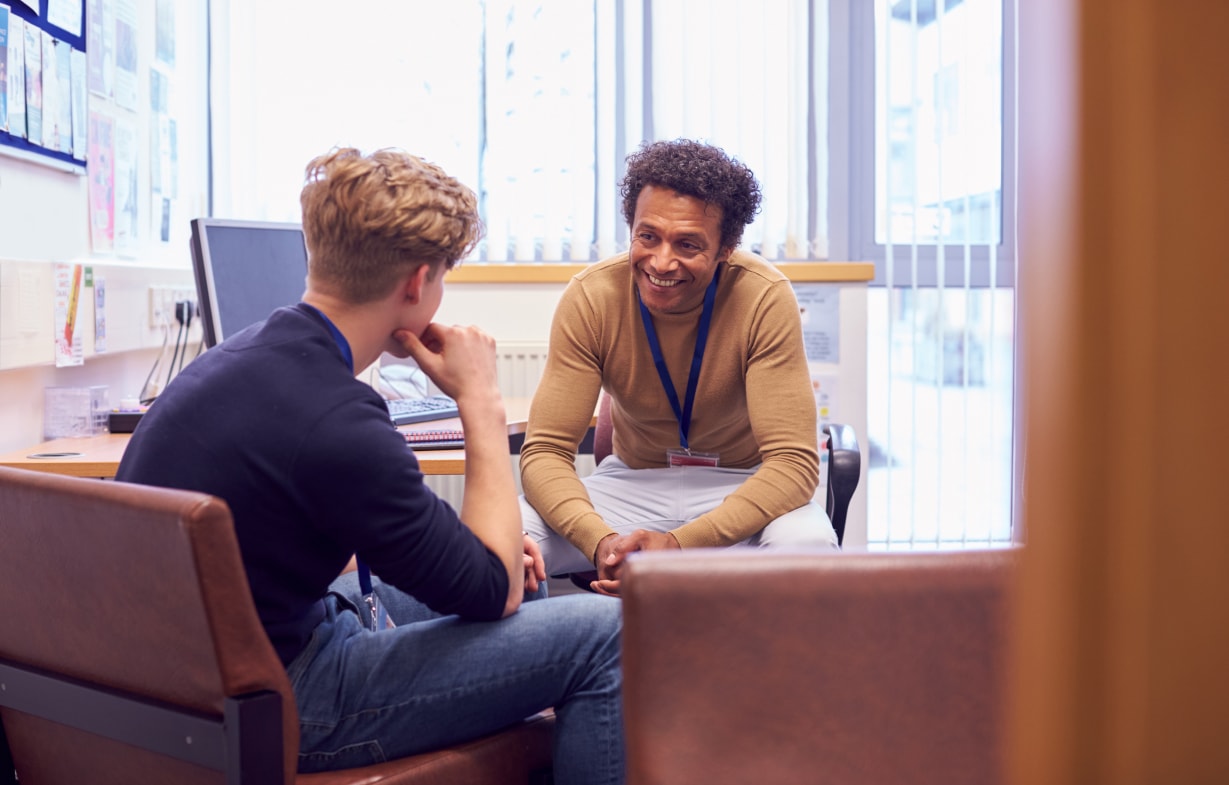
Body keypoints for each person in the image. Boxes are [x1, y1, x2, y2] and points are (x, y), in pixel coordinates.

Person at [116, 147, 624, 784]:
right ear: (416, 283)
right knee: (607, 632)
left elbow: (461, 563)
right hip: (282, 701)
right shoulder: (338, 420)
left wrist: (491, 565)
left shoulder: (244, 355)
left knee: (529, 576)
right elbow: (491, 591)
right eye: (441, 279)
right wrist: (480, 401)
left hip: (192, 676)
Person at [520, 138, 838, 597]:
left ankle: (761, 671)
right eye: (647, 236)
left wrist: (680, 544)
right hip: (631, 486)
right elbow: (545, 452)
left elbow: (792, 465)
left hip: (741, 485)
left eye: (687, 244)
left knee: (808, 549)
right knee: (505, 538)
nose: (661, 261)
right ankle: (556, 662)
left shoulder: (764, 297)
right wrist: (603, 543)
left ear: (726, 248)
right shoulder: (592, 297)